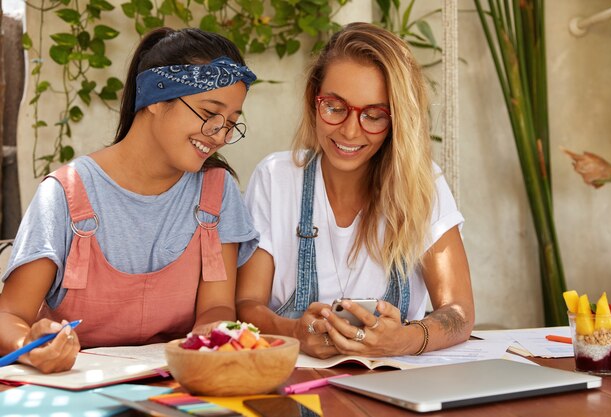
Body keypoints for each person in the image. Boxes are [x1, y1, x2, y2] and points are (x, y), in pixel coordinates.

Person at [0, 27, 259, 373]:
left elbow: (217, 307)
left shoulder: (217, 190)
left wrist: (210, 339)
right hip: (73, 390)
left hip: (175, 389)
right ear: (154, 98)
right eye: (208, 113)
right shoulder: (66, 192)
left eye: (230, 123)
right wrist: (33, 347)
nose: (220, 135)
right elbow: (9, 315)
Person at [237, 22, 474, 359]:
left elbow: (459, 311)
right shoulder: (276, 178)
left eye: (374, 115)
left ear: (396, 122)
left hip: (393, 387)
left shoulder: (424, 185)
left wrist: (405, 339)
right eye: (335, 107)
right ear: (313, 101)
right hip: (295, 383)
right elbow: (245, 305)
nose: (350, 131)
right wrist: (294, 332)